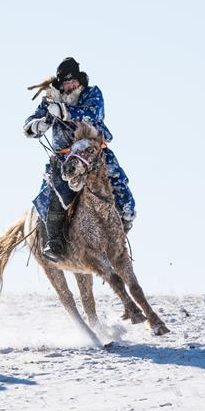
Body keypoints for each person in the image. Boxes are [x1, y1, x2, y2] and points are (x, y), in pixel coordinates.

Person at [23, 57, 136, 262]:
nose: (70, 85)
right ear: (60, 83)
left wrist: (64, 112)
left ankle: (122, 229)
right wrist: (35, 125)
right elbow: (31, 121)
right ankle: (54, 242)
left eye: (73, 81)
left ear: (79, 79)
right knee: (55, 192)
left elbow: (93, 115)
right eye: (66, 82)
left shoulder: (92, 94)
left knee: (120, 187)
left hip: (94, 155)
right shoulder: (50, 99)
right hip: (64, 158)